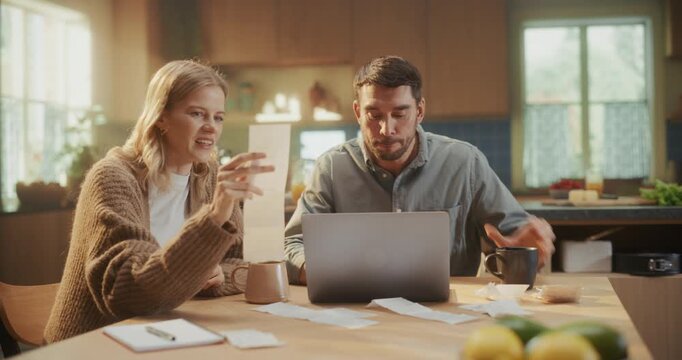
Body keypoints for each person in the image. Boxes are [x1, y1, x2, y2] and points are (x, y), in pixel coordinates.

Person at [44, 60, 273, 342]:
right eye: (197, 114)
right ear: (161, 117)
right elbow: (132, 293)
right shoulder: (113, 178)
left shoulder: (209, 175)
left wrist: (217, 276)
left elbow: (244, 264)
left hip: (166, 332)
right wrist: (213, 217)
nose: (211, 127)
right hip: (96, 342)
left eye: (218, 117)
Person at [284, 56, 555, 284]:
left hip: (449, 313)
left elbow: (517, 234)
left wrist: (529, 248)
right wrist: (322, 271)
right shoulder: (331, 167)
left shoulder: (464, 162)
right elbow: (291, 246)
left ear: (420, 111)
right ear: (357, 112)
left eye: (400, 114)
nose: (386, 129)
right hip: (355, 311)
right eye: (374, 115)